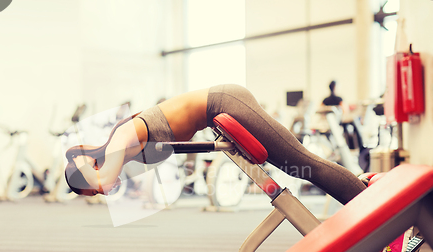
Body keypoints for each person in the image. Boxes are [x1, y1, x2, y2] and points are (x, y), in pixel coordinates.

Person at [65, 84, 366, 204]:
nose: (102, 190)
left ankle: (377, 216)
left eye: (91, 188)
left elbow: (105, 181)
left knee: (303, 164)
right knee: (299, 166)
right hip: (218, 111)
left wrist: (80, 164)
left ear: (93, 167)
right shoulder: (124, 149)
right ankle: (365, 196)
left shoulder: (120, 138)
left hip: (223, 102)